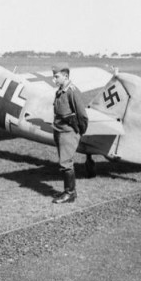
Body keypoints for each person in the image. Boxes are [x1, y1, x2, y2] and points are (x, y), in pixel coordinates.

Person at [51, 62, 88, 204]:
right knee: (63, 161)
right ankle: (70, 191)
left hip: (68, 132)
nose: (54, 79)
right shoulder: (60, 91)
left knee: (65, 162)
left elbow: (82, 115)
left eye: (56, 76)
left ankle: (70, 193)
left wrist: (79, 131)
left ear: (65, 76)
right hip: (59, 131)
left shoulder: (72, 91)